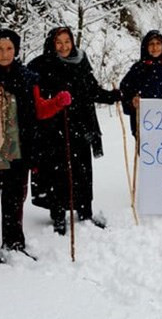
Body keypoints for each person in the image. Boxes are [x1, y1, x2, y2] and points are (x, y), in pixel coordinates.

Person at [0, 28, 70, 263]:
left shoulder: (27, 78)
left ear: (16, 50)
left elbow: (38, 109)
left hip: (17, 152)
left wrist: (57, 103)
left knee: (14, 202)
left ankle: (14, 244)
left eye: (9, 48)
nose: (4, 53)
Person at [28, 26, 121, 234]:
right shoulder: (42, 65)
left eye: (67, 41)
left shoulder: (80, 61)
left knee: (82, 171)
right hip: (54, 128)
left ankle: (85, 211)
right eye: (58, 42)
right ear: (52, 44)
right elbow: (34, 97)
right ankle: (58, 214)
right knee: (57, 173)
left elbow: (92, 89)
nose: (63, 46)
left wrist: (111, 96)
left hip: (81, 125)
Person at [119, 30, 162, 137]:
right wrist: (132, 102)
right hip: (144, 127)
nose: (155, 48)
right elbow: (124, 91)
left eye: (158, 44)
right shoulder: (138, 69)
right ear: (145, 47)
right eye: (151, 44)